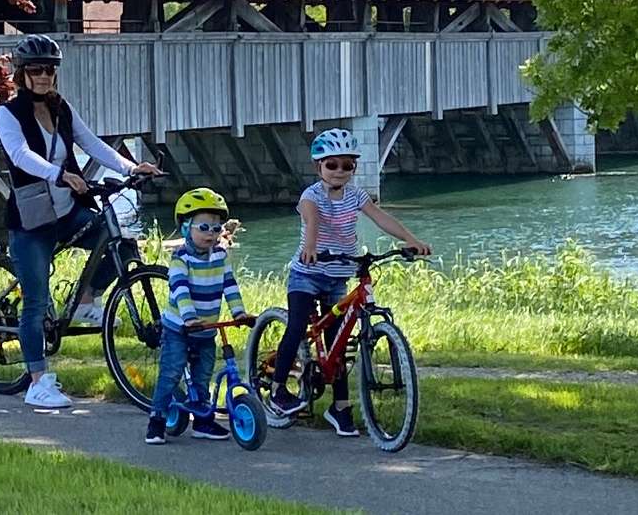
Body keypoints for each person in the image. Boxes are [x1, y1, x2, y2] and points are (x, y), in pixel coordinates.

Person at [0, 34, 160, 409]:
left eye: (49, 70)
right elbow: (19, 155)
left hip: (67, 209)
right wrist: (58, 173)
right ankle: (37, 381)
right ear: (21, 74)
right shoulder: (8, 113)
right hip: (31, 217)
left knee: (121, 243)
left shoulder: (61, 109)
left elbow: (92, 143)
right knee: (35, 303)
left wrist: (133, 166)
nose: (43, 76)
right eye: (35, 70)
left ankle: (86, 299)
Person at [265, 128, 431, 435]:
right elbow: (311, 218)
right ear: (319, 167)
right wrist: (310, 247)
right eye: (332, 165)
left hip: (339, 274)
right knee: (298, 325)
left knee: (338, 343)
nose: (340, 171)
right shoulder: (311, 195)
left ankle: (340, 408)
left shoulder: (356, 196)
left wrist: (411, 239)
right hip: (308, 273)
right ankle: (277, 391)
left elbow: (381, 218)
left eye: (347, 165)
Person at [145, 188, 252, 445]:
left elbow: (230, 285)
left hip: (207, 329)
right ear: (185, 228)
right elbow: (180, 289)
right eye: (204, 227)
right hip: (180, 328)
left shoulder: (220, 255)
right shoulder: (181, 258)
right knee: (171, 372)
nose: (211, 234)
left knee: (203, 373)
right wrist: (190, 317)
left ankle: (203, 421)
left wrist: (239, 312)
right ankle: (156, 419)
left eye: (217, 228)